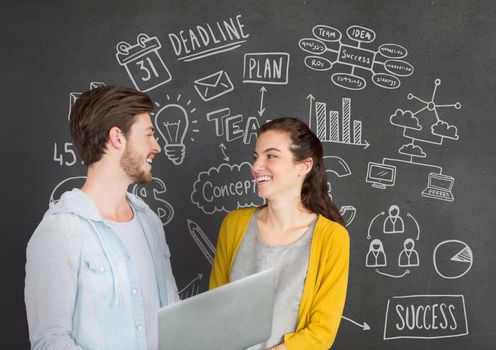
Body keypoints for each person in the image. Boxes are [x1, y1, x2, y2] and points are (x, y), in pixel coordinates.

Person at [25, 86, 179, 350]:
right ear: (117, 138)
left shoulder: (150, 222)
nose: (157, 146)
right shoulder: (60, 231)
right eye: (149, 134)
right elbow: (49, 341)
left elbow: (174, 315)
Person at [210, 117, 350, 350]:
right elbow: (214, 308)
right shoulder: (234, 225)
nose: (256, 167)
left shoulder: (332, 238)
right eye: (256, 157)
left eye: (271, 156)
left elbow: (322, 332)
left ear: (304, 166)